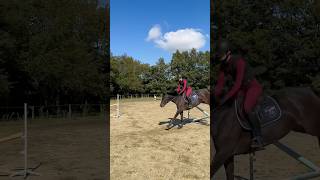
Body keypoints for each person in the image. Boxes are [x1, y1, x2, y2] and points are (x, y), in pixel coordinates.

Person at [214, 40, 264, 149]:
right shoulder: (223, 65)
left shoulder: (239, 62)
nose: (219, 56)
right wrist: (216, 97)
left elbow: (237, 84)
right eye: (219, 54)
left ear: (228, 53)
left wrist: (226, 98)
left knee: (247, 108)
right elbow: (220, 83)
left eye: (221, 54)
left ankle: (258, 137)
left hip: (252, 87)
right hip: (242, 89)